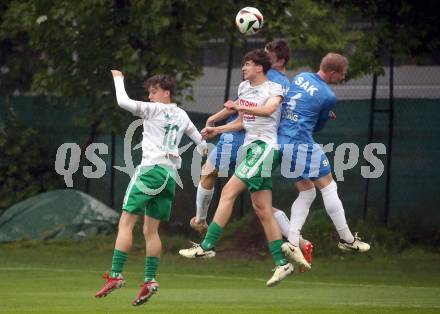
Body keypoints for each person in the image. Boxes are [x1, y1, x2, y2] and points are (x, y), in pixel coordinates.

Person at [189, 40, 313, 271]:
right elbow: (238, 112)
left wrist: (319, 110)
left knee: (218, 182)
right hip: (245, 140)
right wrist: (216, 124)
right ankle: (288, 255)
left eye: (249, 63)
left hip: (259, 145)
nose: (244, 68)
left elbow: (269, 109)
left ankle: (204, 234)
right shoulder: (246, 86)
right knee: (262, 208)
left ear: (272, 63)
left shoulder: (277, 84)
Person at [95, 71, 207, 306]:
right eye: (149, 92)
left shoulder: (153, 109)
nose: (150, 96)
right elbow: (201, 143)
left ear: (167, 93)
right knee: (151, 231)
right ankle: (150, 280)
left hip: (150, 170)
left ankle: (115, 275)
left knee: (126, 222)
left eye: (154, 91)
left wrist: (117, 78)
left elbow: (122, 102)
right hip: (169, 176)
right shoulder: (182, 115)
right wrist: (207, 149)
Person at [277, 53, 370, 267]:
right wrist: (326, 116)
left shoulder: (300, 77)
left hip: (282, 141)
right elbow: (317, 127)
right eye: (342, 75)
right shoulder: (328, 96)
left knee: (307, 191)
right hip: (300, 141)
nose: (342, 79)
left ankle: (292, 242)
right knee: (329, 187)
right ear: (332, 72)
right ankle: (347, 239)